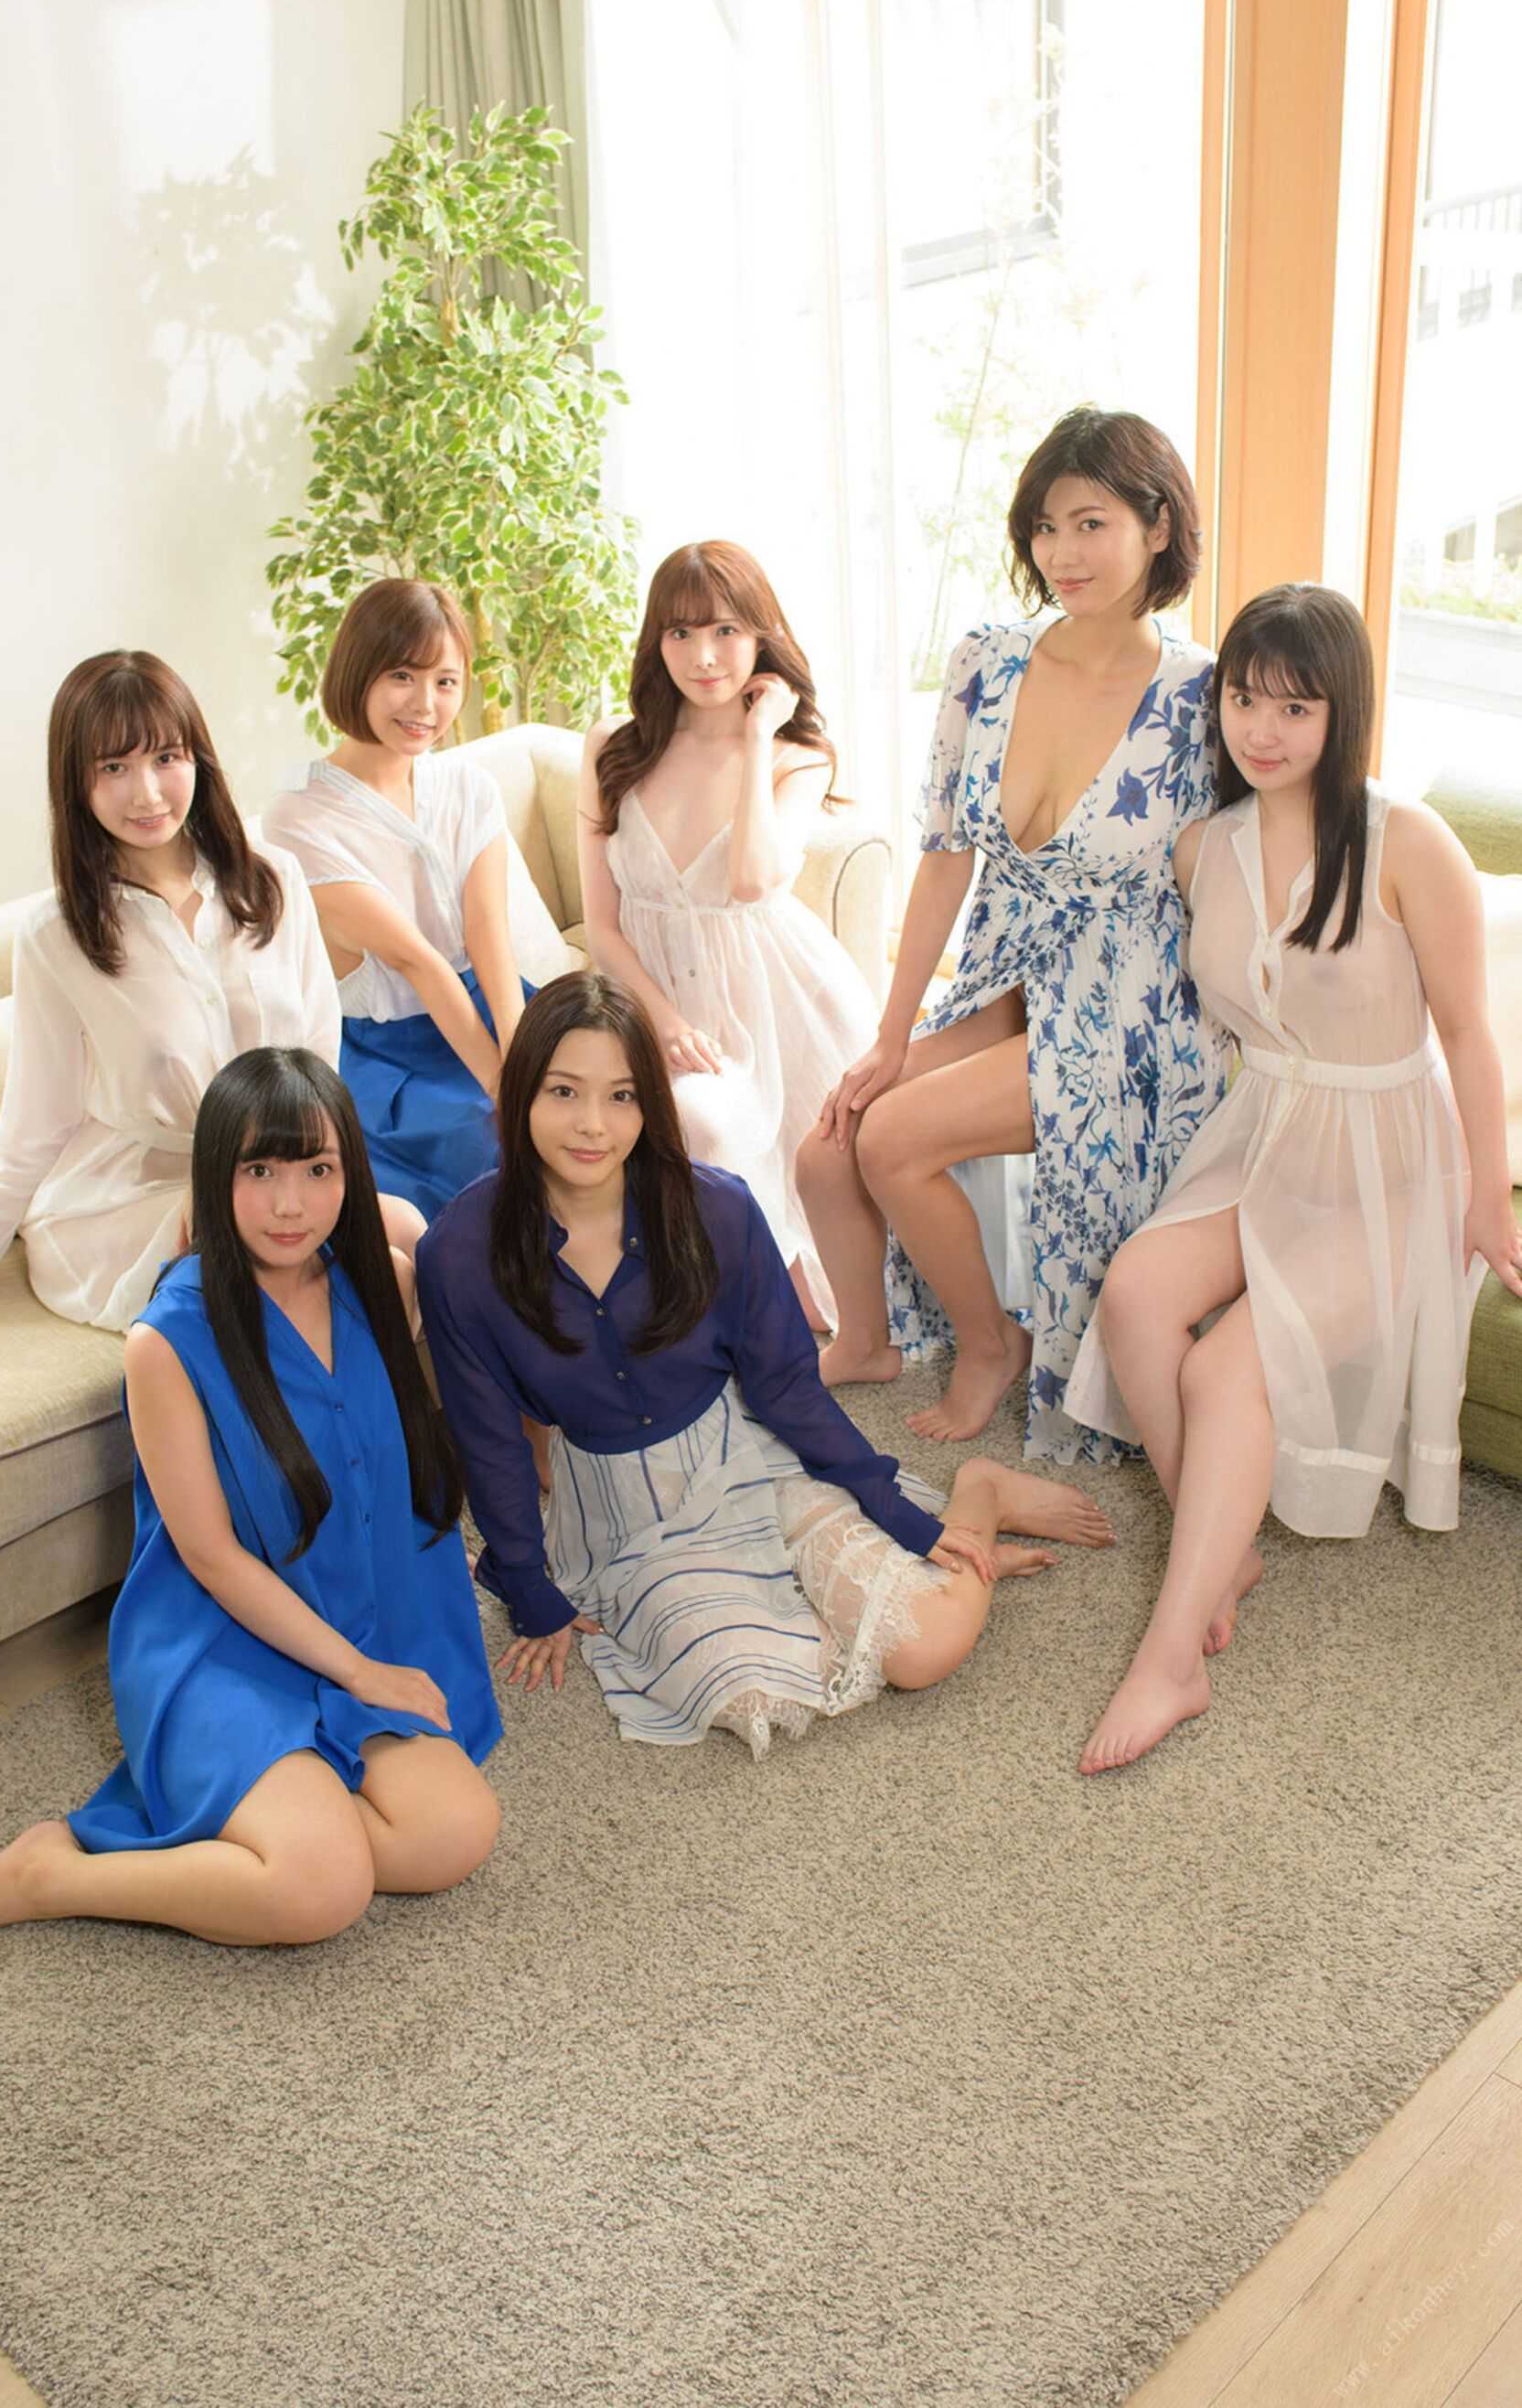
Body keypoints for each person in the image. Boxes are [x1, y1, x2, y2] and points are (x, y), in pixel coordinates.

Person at [416, 972, 1111, 1758]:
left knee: (923, 1649)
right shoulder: (458, 1255)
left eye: (621, 1096)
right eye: (563, 1091)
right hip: (621, 1513)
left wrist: (898, 1515)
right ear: (522, 1093)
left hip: (746, 1454)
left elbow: (785, 1386)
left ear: (650, 1102)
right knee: (752, 1696)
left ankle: (980, 1494)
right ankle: (830, 1588)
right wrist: (530, 1589)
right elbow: (491, 1443)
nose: (592, 1126)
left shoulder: (716, 1208)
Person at [1065, 583, 1522, 1774]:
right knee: (1135, 1296)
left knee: (1223, 1368)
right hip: (1267, 1132)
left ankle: (1174, 1654)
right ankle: (1223, 1548)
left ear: (1342, 711)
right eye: (1244, 698)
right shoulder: (1201, 848)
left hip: (1387, 1161)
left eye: (1296, 707)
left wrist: (1487, 1193)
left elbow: (1470, 1034)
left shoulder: (1408, 842)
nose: (1262, 729)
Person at [0, 1048, 500, 1945]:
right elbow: (212, 1559)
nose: (290, 1204)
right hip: (221, 1642)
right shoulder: (166, 1341)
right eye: (258, 1171)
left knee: (456, 1833)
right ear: (214, 1176)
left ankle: (292, 1815)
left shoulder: (382, 1287)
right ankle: (55, 1875)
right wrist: (360, 1674)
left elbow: (422, 1245)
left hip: (354, 1616)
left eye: (318, 1169)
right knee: (320, 1891)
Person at [799, 407, 1231, 1457]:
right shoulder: (986, 662)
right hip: (1010, 976)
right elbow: (946, 854)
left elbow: (1241, 877)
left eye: (1091, 524)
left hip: (1132, 1008)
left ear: (1158, 527)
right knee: (828, 1149)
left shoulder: (1203, 694)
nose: (1061, 554)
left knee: (894, 1140)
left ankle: (991, 1344)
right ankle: (867, 1342)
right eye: (1044, 527)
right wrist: (891, 1034)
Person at [0, 650, 422, 1341]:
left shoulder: (275, 880)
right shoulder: (58, 936)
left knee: (411, 1235)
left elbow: (317, 1070)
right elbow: (31, 1133)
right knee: (273, 1269)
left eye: (166, 758)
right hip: (135, 1199)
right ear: (76, 782)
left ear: (199, 759)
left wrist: (323, 1176)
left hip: (272, 1172)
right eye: (114, 767)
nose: (147, 793)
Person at [578, 540, 881, 1330]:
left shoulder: (795, 757)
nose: (703, 656)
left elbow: (751, 880)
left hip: (779, 1008)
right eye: (679, 633)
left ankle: (754, 1307)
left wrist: (754, 738)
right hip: (657, 1007)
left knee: (829, 1289)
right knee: (699, 1121)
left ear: (760, 636)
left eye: (724, 631)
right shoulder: (613, 747)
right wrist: (665, 1023)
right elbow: (602, 927)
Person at [264, 577, 531, 1220]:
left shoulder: (469, 787)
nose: (425, 704)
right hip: (390, 1054)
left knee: (606, 1114)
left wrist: (528, 1064)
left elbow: (489, 935)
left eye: (446, 681)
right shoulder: (298, 816)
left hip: (494, 1011)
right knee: (492, 1152)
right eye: (402, 676)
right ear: (358, 672)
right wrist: (508, 1092)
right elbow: (417, 961)